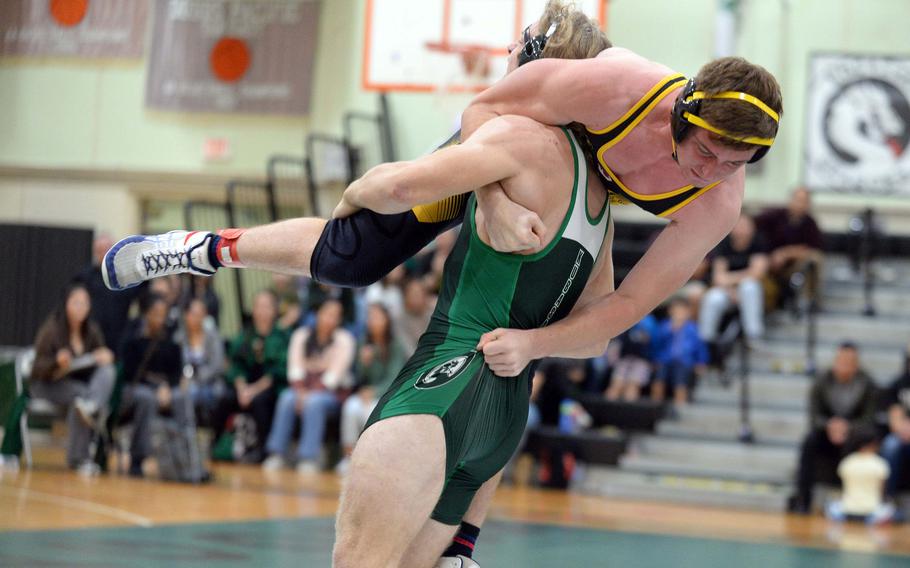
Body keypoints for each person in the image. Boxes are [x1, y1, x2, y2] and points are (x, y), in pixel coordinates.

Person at [101, 2, 781, 564]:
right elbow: (481, 110)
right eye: (704, 151)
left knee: (539, 327)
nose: (710, 172)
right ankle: (199, 249)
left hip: (567, 191)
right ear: (683, 113)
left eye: (735, 163)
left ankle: (460, 542)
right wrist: (488, 196)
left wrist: (539, 343)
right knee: (352, 256)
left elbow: (625, 306)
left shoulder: (715, 205)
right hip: (511, 146)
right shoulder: (610, 88)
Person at [263, 299, 355, 474]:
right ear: (317, 314)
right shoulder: (301, 335)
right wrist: (300, 392)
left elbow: (334, 377)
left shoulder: (345, 340)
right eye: (327, 314)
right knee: (286, 397)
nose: (330, 319)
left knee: (314, 402)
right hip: (301, 389)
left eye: (335, 316)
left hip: (333, 394)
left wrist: (307, 394)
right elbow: (294, 369)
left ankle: (308, 457)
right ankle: (276, 453)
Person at [30, 284, 116, 471]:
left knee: (106, 372)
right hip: (47, 385)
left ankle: (91, 407)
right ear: (66, 304)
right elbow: (36, 369)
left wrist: (104, 356)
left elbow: (98, 360)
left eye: (85, 303)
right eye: (76, 302)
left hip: (77, 387)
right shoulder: (52, 329)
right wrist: (56, 362)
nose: (81, 307)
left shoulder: (91, 331)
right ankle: (79, 458)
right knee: (81, 396)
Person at [790, 342, 878, 513]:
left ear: (856, 364)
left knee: (859, 443)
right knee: (809, 441)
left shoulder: (867, 383)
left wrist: (848, 427)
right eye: (841, 360)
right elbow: (814, 416)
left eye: (849, 361)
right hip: (827, 432)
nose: (844, 364)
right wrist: (830, 425)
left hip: (854, 434)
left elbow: (869, 418)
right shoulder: (822, 381)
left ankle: (852, 503)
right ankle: (803, 500)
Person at [211, 290, 288, 462]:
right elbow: (234, 364)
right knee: (224, 399)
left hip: (269, 388)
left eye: (266, 306)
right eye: (258, 306)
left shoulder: (282, 336)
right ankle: (216, 445)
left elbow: (277, 371)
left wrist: (253, 391)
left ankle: (262, 451)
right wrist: (241, 388)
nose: (261, 311)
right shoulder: (245, 335)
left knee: (261, 402)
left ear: (274, 310)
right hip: (244, 387)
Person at [119, 293, 186, 477]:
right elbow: (131, 373)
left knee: (181, 398)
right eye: (156, 313)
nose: (160, 318)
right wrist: (156, 388)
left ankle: (183, 459)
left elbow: (176, 372)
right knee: (146, 398)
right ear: (146, 314)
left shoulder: (171, 340)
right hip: (135, 389)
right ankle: (138, 459)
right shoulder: (133, 337)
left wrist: (168, 387)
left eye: (163, 314)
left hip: (164, 389)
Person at [337, 303, 409, 474]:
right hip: (365, 393)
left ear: (387, 320)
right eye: (370, 317)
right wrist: (364, 362)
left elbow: (394, 377)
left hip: (387, 396)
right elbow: (360, 377)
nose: (373, 321)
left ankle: (370, 459)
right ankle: (348, 457)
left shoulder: (396, 344)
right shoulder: (363, 342)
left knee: (370, 411)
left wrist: (374, 392)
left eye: (377, 317)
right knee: (350, 407)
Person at [698, 213, 769, 346]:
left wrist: (731, 279)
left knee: (749, 287)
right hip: (728, 291)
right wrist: (732, 288)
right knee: (712, 298)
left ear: (752, 227)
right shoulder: (724, 242)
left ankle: (753, 335)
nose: (742, 229)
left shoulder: (758, 241)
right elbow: (718, 277)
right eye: (739, 225)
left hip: (750, 291)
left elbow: (757, 273)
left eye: (745, 225)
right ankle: (706, 340)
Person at [755, 187, 824, 310]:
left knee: (814, 259)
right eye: (798, 200)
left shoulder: (810, 224)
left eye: (805, 201)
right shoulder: (773, 216)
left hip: (792, 268)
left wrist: (786, 253)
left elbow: (813, 249)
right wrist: (769, 256)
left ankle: (808, 300)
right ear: (791, 200)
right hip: (766, 262)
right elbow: (753, 232)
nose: (801, 204)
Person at [825, 424, 895, 525]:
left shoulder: (847, 462)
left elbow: (845, 488)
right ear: (874, 444)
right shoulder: (880, 464)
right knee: (890, 509)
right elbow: (881, 492)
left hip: (846, 511)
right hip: (871, 512)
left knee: (832, 505)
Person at [173, 298, 225, 426]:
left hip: (210, 384)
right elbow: (175, 365)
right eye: (193, 314)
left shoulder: (213, 336)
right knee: (177, 395)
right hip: (184, 384)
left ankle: (189, 434)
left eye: (200, 314)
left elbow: (217, 365)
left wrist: (195, 378)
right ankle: (182, 432)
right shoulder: (179, 338)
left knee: (190, 393)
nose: (196, 318)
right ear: (186, 315)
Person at [651, 296, 709, 407]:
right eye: (676, 310)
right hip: (664, 359)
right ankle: (655, 406)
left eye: (682, 311)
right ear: (670, 311)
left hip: (684, 361)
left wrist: (701, 362)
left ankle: (680, 406)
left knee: (680, 383)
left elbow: (700, 347)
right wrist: (655, 358)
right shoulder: (664, 326)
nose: (679, 313)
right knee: (659, 381)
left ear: (688, 312)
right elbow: (657, 343)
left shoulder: (693, 328)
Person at [604, 314, 656, 402]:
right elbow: (618, 341)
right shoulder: (626, 317)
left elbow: (653, 343)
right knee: (616, 384)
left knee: (632, 386)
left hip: (642, 360)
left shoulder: (650, 321)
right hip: (624, 359)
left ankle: (628, 413)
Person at [881, 343, 910, 500]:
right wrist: (903, 428)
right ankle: (887, 498)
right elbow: (895, 417)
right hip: (903, 435)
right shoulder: (900, 384)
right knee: (891, 445)